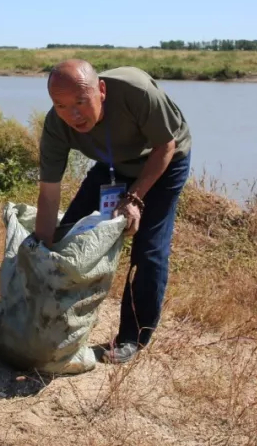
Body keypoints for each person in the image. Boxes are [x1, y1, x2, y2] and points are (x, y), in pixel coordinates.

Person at [35, 60, 192, 364]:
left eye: (81, 102)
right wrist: (41, 252)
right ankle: (50, 316)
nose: (73, 115)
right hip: (112, 167)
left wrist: (135, 197)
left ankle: (133, 338)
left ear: (101, 91)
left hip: (164, 162)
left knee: (148, 251)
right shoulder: (56, 125)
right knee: (66, 235)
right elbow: (49, 194)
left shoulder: (137, 92)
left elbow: (166, 145)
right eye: (62, 106)